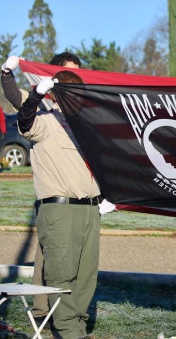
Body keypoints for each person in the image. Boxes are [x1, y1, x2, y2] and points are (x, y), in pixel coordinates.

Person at [18, 69, 101, 339]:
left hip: (91, 209)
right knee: (62, 277)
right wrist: (35, 95)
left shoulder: (84, 124)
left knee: (86, 278)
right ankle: (69, 331)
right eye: (71, 91)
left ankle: (76, 329)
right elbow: (25, 121)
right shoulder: (47, 119)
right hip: (61, 210)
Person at [1, 52, 82, 321]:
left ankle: (66, 308)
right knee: (48, 253)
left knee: (72, 256)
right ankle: (42, 309)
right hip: (51, 192)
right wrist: (7, 73)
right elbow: (17, 99)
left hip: (78, 194)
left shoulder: (80, 108)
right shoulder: (44, 103)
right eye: (69, 73)